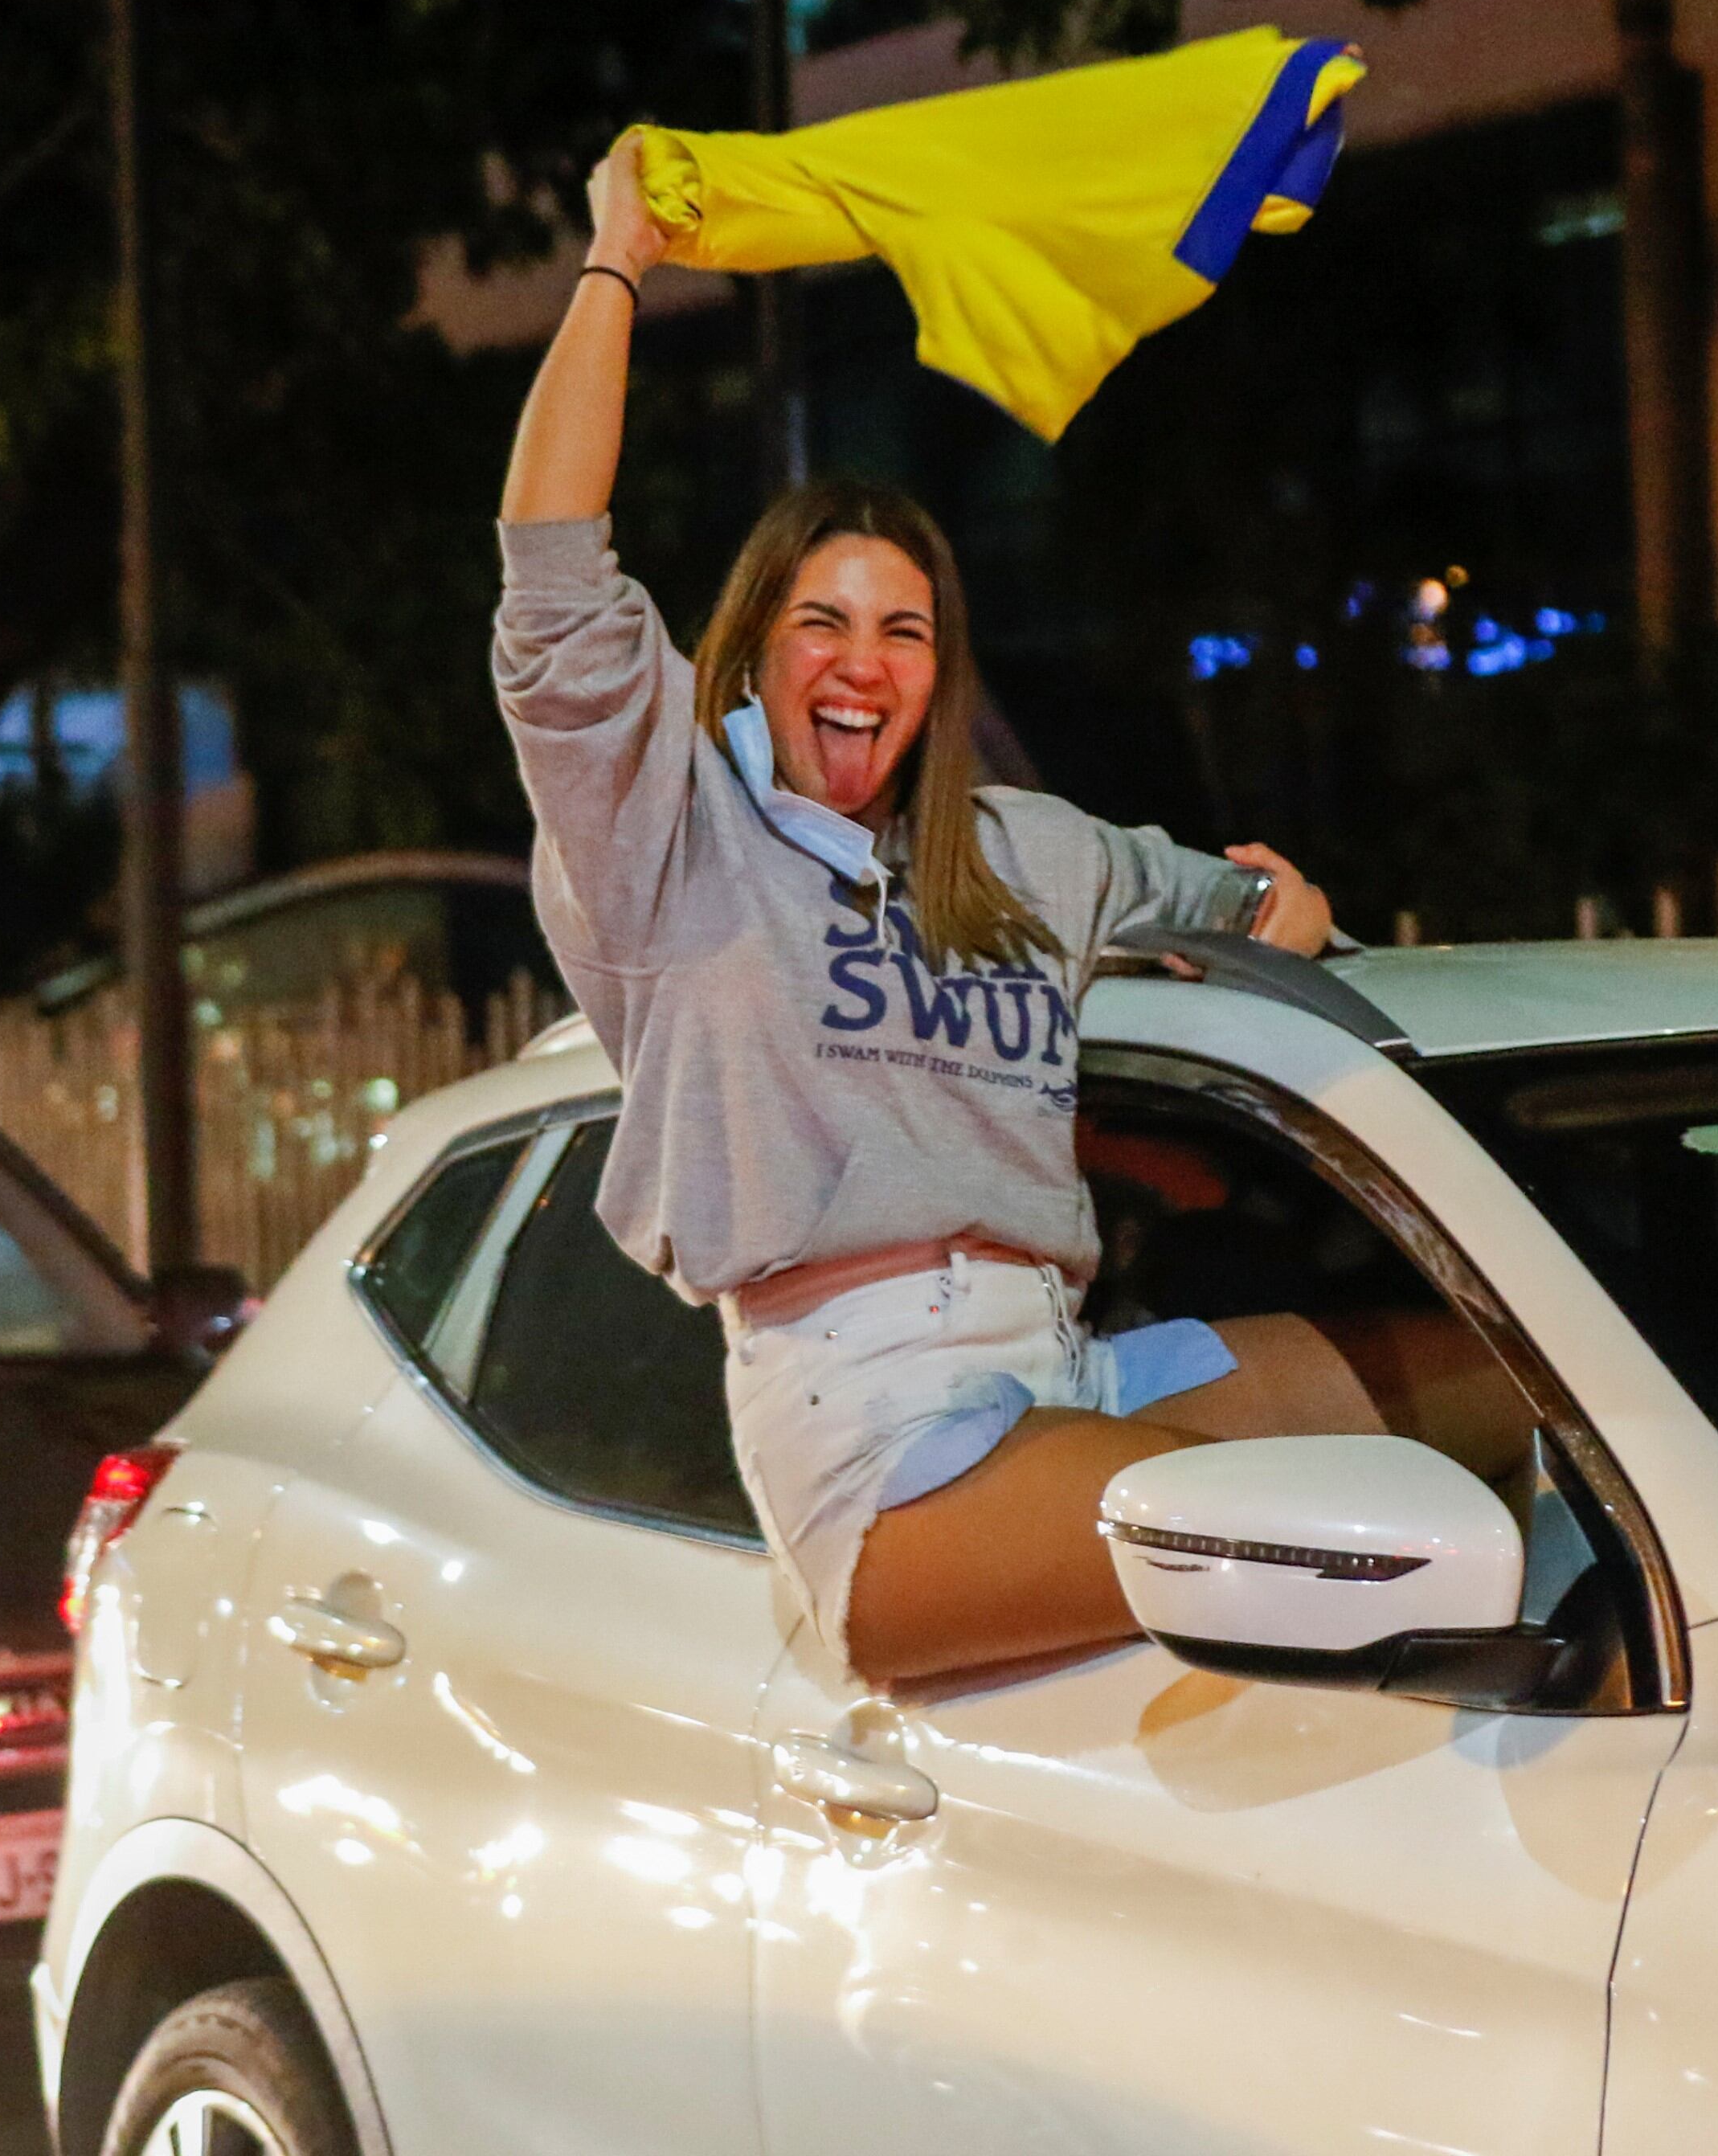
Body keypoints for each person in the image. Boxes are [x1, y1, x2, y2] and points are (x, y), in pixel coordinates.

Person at [495, 135, 1455, 1686]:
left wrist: (1285, 904)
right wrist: (615, 263)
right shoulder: (671, 842)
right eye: (820, 623)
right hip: (873, 1439)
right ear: (751, 656)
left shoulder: (1031, 856)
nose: (860, 661)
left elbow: (1246, 899)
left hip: (1073, 1377)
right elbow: (549, 580)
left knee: (1512, 1403)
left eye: (902, 630)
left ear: (939, 675)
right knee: (1330, 1526)